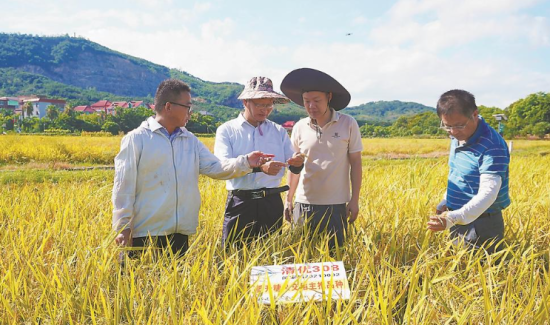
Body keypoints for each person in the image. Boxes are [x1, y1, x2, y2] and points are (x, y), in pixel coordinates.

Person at [112, 78, 273, 258]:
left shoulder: (190, 140)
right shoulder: (137, 139)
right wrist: (123, 228)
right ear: (168, 106)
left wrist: (246, 161)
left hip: (180, 232)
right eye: (187, 106)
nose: (190, 112)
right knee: (142, 282)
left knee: (176, 283)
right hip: (145, 233)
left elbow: (215, 167)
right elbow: (123, 188)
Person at [214, 76, 305, 246]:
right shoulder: (227, 130)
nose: (265, 110)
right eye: (259, 104)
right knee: (233, 257)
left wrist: (298, 162)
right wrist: (259, 168)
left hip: (271, 202)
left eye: (269, 105)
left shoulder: (278, 131)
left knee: (270, 256)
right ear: (246, 102)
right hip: (240, 203)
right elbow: (222, 166)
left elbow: (293, 164)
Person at [280, 68, 363, 249]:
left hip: (336, 205)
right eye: (306, 101)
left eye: (316, 101)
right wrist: (289, 198)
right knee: (303, 256)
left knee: (335, 258)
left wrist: (354, 200)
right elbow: (294, 166)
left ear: (329, 97)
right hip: (304, 203)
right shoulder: (300, 127)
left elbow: (356, 163)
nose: (311, 106)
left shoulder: (348, 123)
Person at [427, 89, 510, 253]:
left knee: (483, 273)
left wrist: (453, 217)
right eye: (447, 126)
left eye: (459, 125)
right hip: (458, 217)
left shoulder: (492, 146)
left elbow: (489, 192)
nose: (453, 132)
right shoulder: (458, 137)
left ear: (474, 114)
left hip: (482, 223)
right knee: (460, 269)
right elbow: (458, 175)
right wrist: (447, 200)